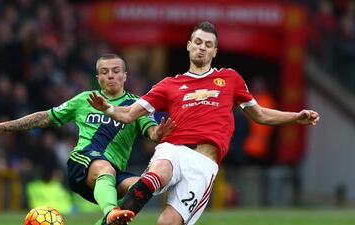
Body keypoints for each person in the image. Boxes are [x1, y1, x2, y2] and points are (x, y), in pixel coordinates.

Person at [88, 21, 320, 225]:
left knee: (167, 221)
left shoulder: (230, 79)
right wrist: (107, 108)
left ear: (214, 51)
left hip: (203, 166)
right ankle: (113, 222)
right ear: (189, 45)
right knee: (158, 172)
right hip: (174, 149)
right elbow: (129, 114)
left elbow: (259, 115)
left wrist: (295, 116)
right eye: (198, 42)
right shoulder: (169, 84)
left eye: (208, 45)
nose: (202, 47)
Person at [0, 54, 175, 222]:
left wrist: (159, 133)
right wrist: (3, 127)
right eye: (105, 72)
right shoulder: (84, 99)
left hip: (111, 176)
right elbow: (45, 117)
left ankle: (106, 220)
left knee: (143, 186)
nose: (111, 75)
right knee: (105, 168)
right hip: (83, 163)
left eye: (115, 71)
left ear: (125, 76)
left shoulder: (137, 105)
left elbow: (152, 132)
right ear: (98, 78)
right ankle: (110, 212)